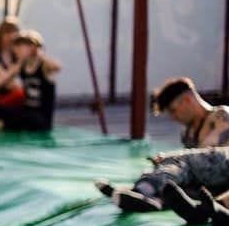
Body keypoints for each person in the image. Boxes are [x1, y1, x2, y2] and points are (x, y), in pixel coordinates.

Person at [96, 77, 229, 213]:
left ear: (187, 101)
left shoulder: (221, 116)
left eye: (173, 110)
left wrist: (172, 157)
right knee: (177, 186)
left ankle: (142, 190)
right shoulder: (187, 132)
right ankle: (153, 201)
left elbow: (208, 152)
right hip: (215, 181)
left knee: (180, 161)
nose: (173, 117)